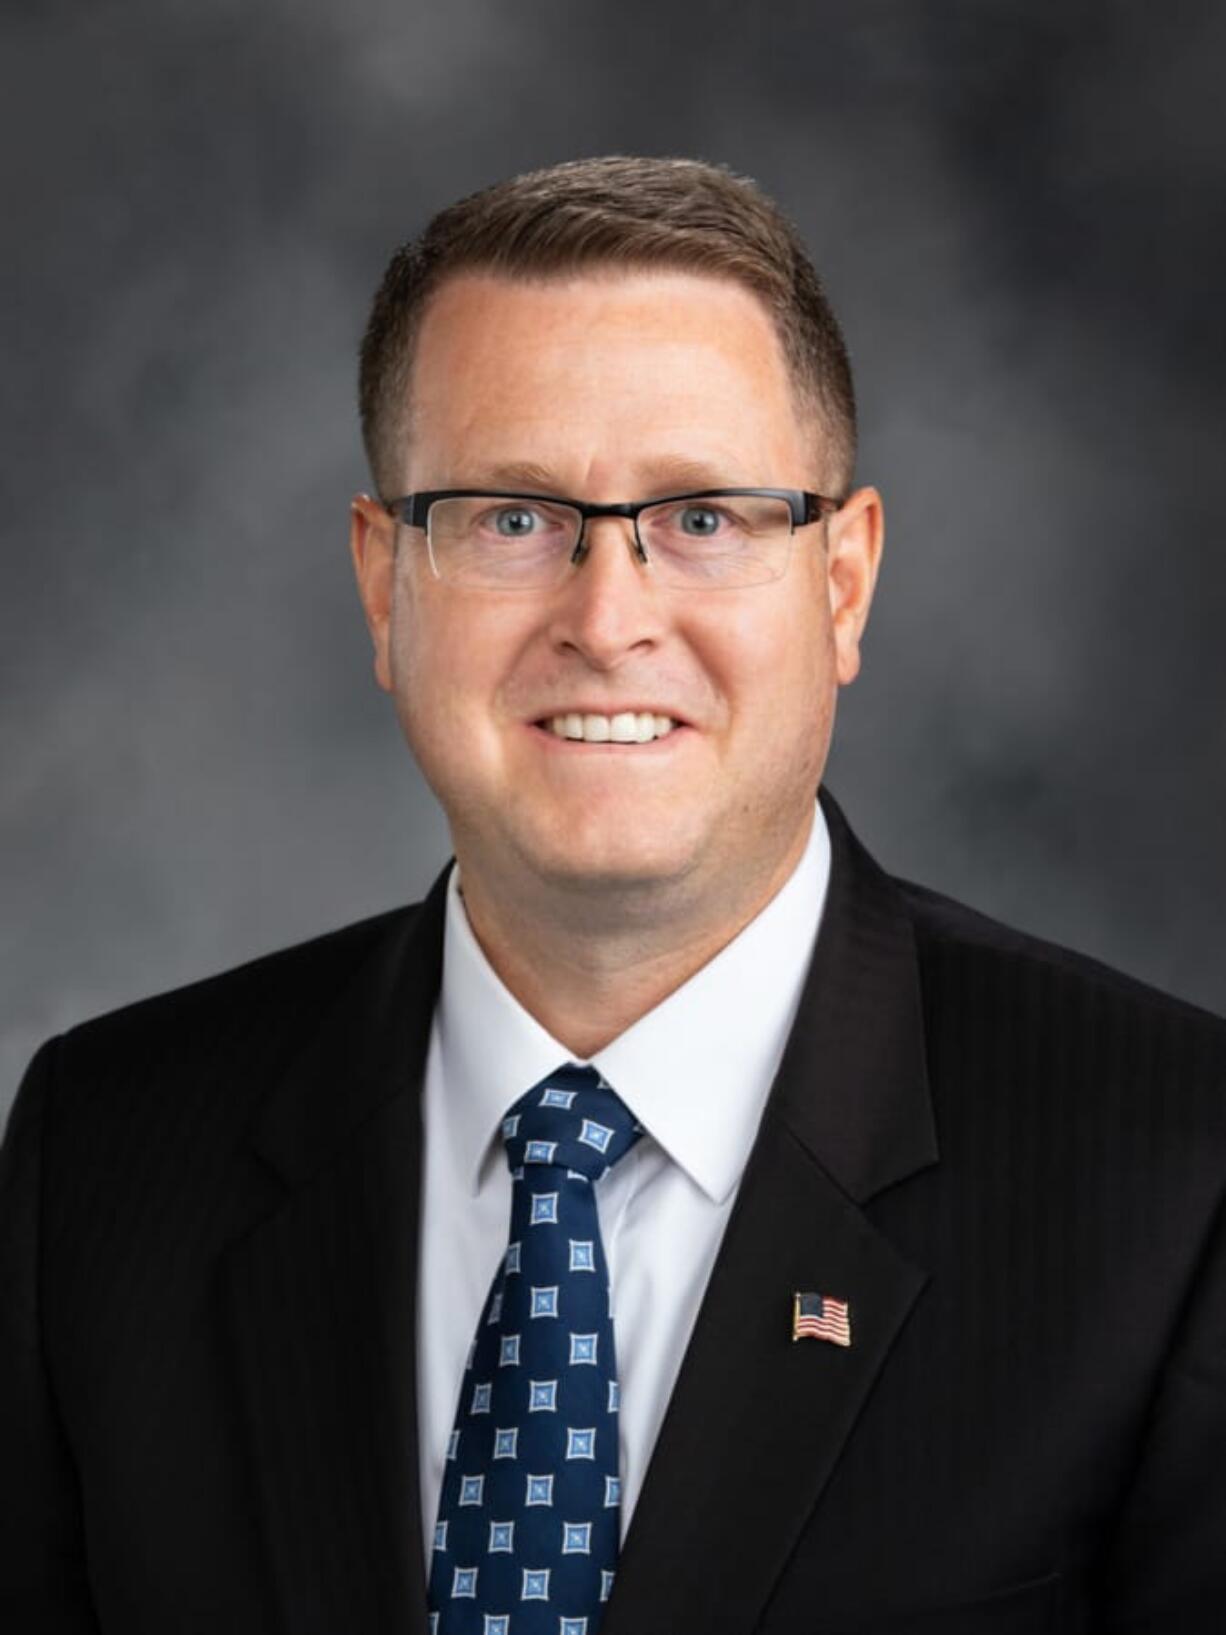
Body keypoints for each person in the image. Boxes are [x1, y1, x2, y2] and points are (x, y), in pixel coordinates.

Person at [2, 155, 1224, 1635]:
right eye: (510, 519)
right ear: (386, 586)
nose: (606, 616)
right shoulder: (110, 1153)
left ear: (839, 585)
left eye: (702, 517)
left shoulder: (1171, 1177)